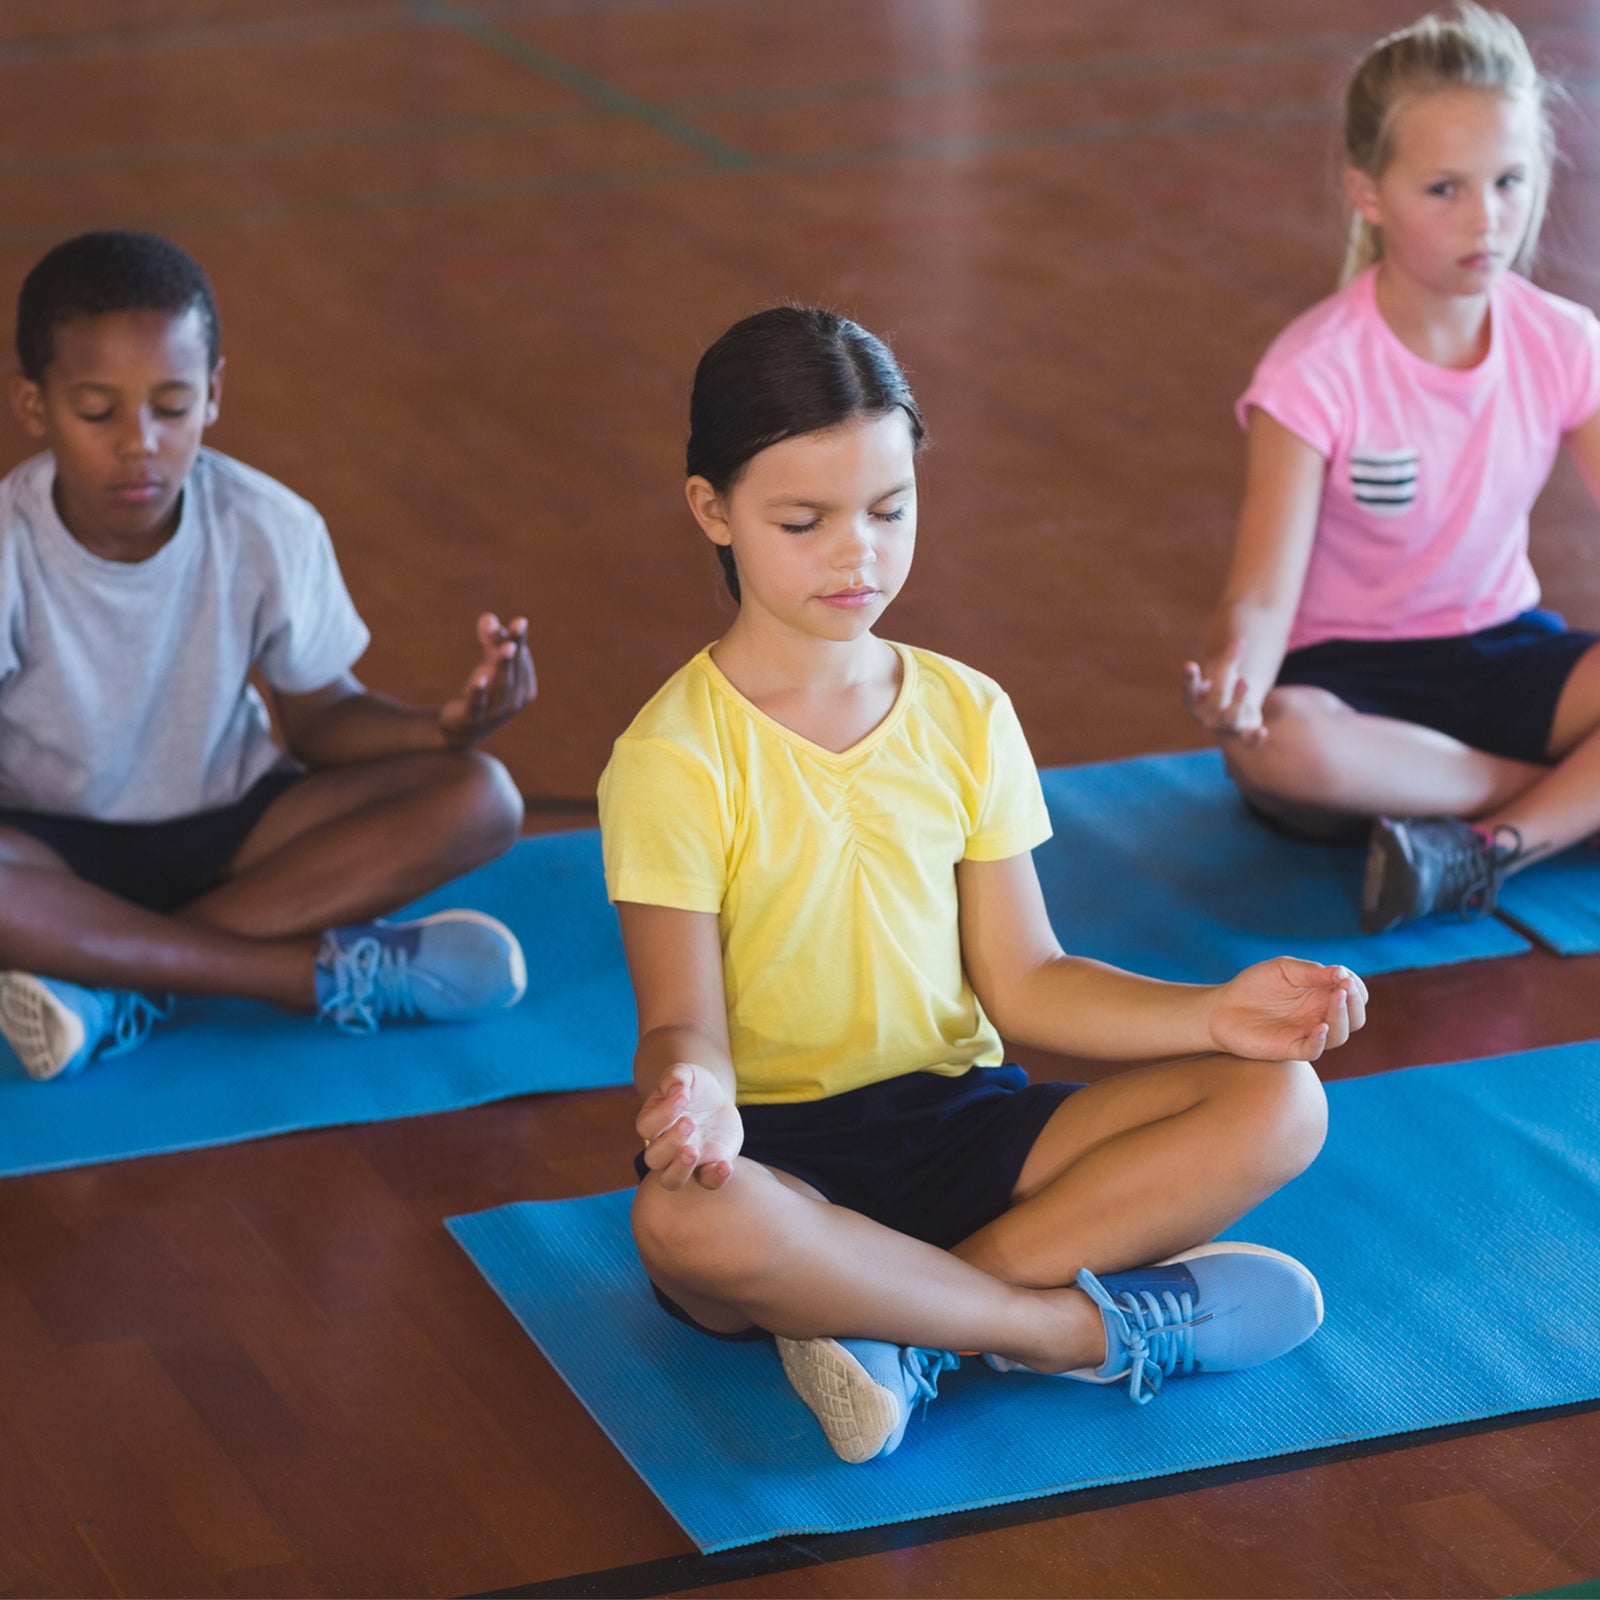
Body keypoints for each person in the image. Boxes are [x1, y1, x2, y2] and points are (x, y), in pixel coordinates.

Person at [597, 306, 1359, 1465]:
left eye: (889, 512)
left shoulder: (966, 709)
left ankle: (902, 1333)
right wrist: (690, 1099)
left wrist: (1212, 1014)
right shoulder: (670, 757)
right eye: (803, 521)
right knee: (678, 1222)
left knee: (1282, 1099)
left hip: (965, 1129)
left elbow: (1029, 980)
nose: (857, 554)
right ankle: (1056, 1329)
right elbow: (680, 1023)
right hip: (778, 1166)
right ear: (713, 509)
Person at [0, 230, 536, 1082]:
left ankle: (112, 988)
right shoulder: (9, 547)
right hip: (54, 849)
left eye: (170, 406)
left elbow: (320, 721)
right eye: (99, 411)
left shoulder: (265, 522)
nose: (139, 442)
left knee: (480, 795)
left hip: (236, 827)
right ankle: (298, 975)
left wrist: (444, 725)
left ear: (212, 394)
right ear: (35, 406)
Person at [1184, 4, 1600, 934]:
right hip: (1349, 686)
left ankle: (1490, 848)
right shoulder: (1314, 370)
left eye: (1509, 181)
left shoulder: (1567, 343)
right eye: (1444, 189)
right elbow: (1258, 598)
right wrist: (1234, 678)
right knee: (1281, 749)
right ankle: (1566, 809)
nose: (1487, 218)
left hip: (1505, 653)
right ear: (1369, 194)